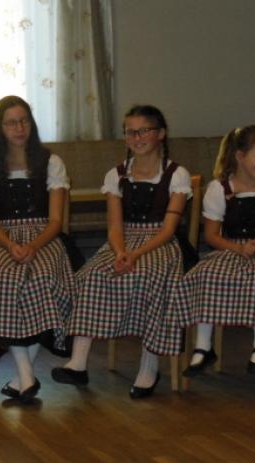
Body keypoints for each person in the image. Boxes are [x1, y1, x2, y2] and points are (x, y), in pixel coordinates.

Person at [52, 104, 192, 398]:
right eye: (130, 132)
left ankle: (149, 367)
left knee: (152, 276)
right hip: (124, 241)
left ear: (160, 134)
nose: (136, 138)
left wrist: (136, 255)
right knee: (92, 275)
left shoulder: (176, 174)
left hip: (160, 242)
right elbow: (115, 226)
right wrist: (120, 252)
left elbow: (168, 230)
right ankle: (78, 362)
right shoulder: (116, 175)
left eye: (144, 131)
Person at [0, 95, 78, 404]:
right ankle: (26, 373)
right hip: (3, 238)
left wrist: (32, 245)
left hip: (44, 236)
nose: (19, 128)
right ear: (0, 128)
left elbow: (56, 221)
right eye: (11, 123)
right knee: (4, 278)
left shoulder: (51, 162)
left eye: (24, 121)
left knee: (42, 277)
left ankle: (23, 377)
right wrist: (11, 245)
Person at [177, 125, 255, 376]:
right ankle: (203, 346)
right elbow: (211, 236)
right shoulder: (220, 190)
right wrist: (238, 247)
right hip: (232, 249)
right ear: (240, 156)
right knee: (206, 274)